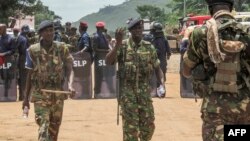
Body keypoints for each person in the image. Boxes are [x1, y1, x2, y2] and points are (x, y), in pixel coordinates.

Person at [182, 0, 250, 140]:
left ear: (210, 9)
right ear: (231, 8)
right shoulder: (246, 33)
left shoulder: (200, 33)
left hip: (215, 110)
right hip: (245, 108)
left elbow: (186, 71)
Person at [105, 18, 165, 141]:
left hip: (144, 93)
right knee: (130, 129)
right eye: (135, 29)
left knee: (149, 126)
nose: (138, 31)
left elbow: (157, 68)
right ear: (130, 31)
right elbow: (108, 61)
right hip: (128, 94)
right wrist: (117, 43)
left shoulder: (149, 47)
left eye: (140, 28)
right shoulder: (122, 46)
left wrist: (162, 85)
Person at [22, 20, 75, 141]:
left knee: (54, 131)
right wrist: (25, 99)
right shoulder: (32, 50)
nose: (49, 33)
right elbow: (29, 75)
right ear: (40, 33)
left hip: (57, 96)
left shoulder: (62, 48)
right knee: (44, 129)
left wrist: (71, 85)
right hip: (40, 95)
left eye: (51, 30)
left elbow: (70, 68)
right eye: (46, 31)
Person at [149, 22, 171, 97]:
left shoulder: (155, 39)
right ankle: (159, 92)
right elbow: (168, 49)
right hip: (162, 61)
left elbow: (158, 50)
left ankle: (161, 92)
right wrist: (168, 54)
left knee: (159, 76)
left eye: (152, 30)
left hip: (159, 61)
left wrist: (152, 51)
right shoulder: (163, 38)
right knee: (161, 76)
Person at [0, 23, 16, 101]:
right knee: (1, 78)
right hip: (0, 61)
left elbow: (13, 50)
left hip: (8, 61)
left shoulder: (11, 38)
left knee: (7, 78)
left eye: (0, 29)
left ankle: (7, 95)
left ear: (4, 29)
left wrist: (4, 54)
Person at [15, 24, 30, 101]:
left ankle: (22, 96)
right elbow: (25, 51)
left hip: (20, 58)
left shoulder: (20, 37)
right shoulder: (23, 39)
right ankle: (24, 96)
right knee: (25, 78)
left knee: (21, 78)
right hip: (24, 58)